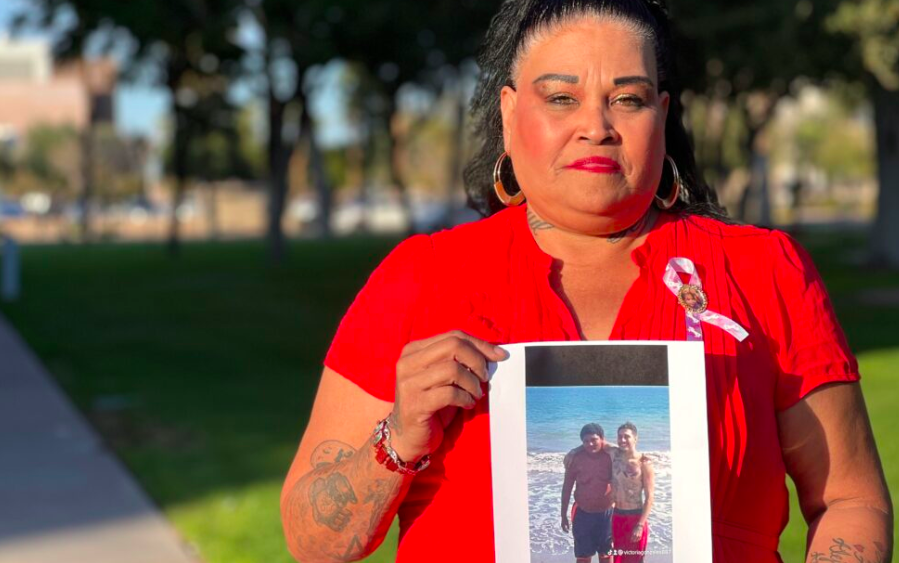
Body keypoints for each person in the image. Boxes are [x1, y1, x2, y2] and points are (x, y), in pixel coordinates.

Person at [280, 0, 893, 562]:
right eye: (561, 98)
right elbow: (315, 544)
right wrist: (399, 436)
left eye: (627, 99)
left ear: (662, 112)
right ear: (511, 111)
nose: (596, 125)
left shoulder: (763, 270)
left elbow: (850, 500)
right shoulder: (421, 277)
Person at [562, 424, 615, 562]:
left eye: (594, 440)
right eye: (585, 441)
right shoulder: (575, 459)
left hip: (607, 513)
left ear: (602, 439)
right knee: (583, 556)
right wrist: (563, 515)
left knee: (606, 555)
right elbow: (567, 488)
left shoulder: (611, 456)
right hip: (583, 513)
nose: (590, 444)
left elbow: (626, 451)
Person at [610, 423, 654, 563]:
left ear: (636, 438)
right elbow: (596, 442)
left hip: (635, 517)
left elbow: (649, 497)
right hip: (617, 516)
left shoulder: (644, 463)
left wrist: (640, 525)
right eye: (619, 437)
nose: (622, 440)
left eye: (626, 437)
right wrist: (574, 452)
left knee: (634, 559)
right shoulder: (614, 456)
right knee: (618, 559)